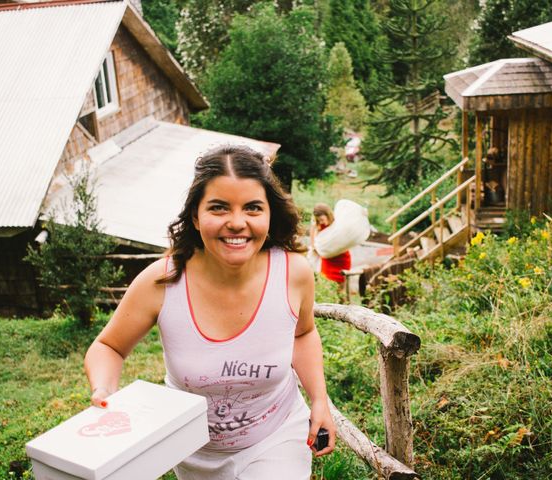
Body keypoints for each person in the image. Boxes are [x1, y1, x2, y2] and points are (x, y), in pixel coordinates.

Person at [84, 145, 335, 479]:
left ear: (269, 214)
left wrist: (320, 399)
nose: (236, 223)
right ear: (195, 216)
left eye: (252, 208)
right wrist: (104, 389)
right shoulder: (163, 281)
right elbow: (108, 347)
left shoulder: (293, 273)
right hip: (193, 451)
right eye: (218, 208)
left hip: (276, 436)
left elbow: (302, 334)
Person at [309, 203, 352, 286]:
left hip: (341, 258)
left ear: (327, 214)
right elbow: (314, 243)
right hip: (327, 259)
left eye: (322, 219)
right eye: (319, 220)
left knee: (341, 287)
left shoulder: (338, 222)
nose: (321, 222)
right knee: (326, 284)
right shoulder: (317, 225)